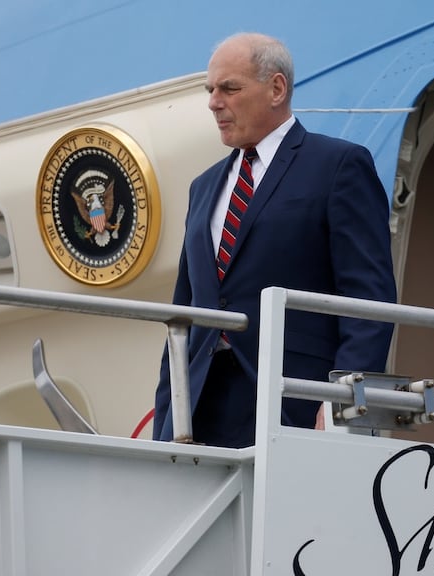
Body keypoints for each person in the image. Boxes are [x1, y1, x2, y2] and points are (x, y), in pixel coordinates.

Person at [152, 33, 397, 446]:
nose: (214, 102)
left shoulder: (338, 166)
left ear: (276, 88)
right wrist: (165, 418)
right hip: (198, 410)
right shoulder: (203, 187)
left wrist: (339, 403)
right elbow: (184, 315)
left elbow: (369, 300)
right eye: (210, 90)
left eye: (229, 88)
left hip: (294, 402)